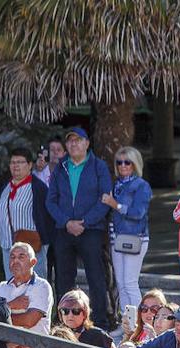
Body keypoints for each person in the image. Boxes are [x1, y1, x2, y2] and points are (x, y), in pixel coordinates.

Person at [46, 126, 113, 328]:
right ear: (66, 146)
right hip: (64, 230)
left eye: (78, 140)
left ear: (87, 143)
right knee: (64, 279)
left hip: (90, 230)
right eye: (70, 141)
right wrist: (67, 222)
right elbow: (51, 201)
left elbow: (105, 199)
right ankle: (64, 322)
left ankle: (99, 321)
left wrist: (85, 222)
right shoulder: (60, 168)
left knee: (96, 276)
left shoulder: (98, 166)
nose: (74, 144)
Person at [102, 146, 152, 316]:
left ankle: (140, 326)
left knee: (130, 283)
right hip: (117, 238)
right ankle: (126, 325)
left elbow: (138, 213)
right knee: (121, 284)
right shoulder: (117, 185)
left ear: (135, 164)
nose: (123, 165)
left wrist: (114, 204)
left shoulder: (141, 185)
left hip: (135, 238)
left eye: (127, 162)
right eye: (119, 162)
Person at [0, 147, 53, 280]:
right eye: (13, 162)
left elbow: (47, 217)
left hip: (31, 247)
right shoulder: (5, 187)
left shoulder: (38, 188)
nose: (15, 166)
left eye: (20, 162)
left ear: (30, 165)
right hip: (8, 247)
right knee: (12, 286)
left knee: (35, 285)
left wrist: (44, 240)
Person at [0, 242, 53, 334]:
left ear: (33, 262)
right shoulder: (0, 287)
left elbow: (29, 321)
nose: (15, 261)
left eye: (21, 257)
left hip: (34, 346)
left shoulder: (42, 286)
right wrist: (10, 305)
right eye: (12, 257)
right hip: (5, 345)